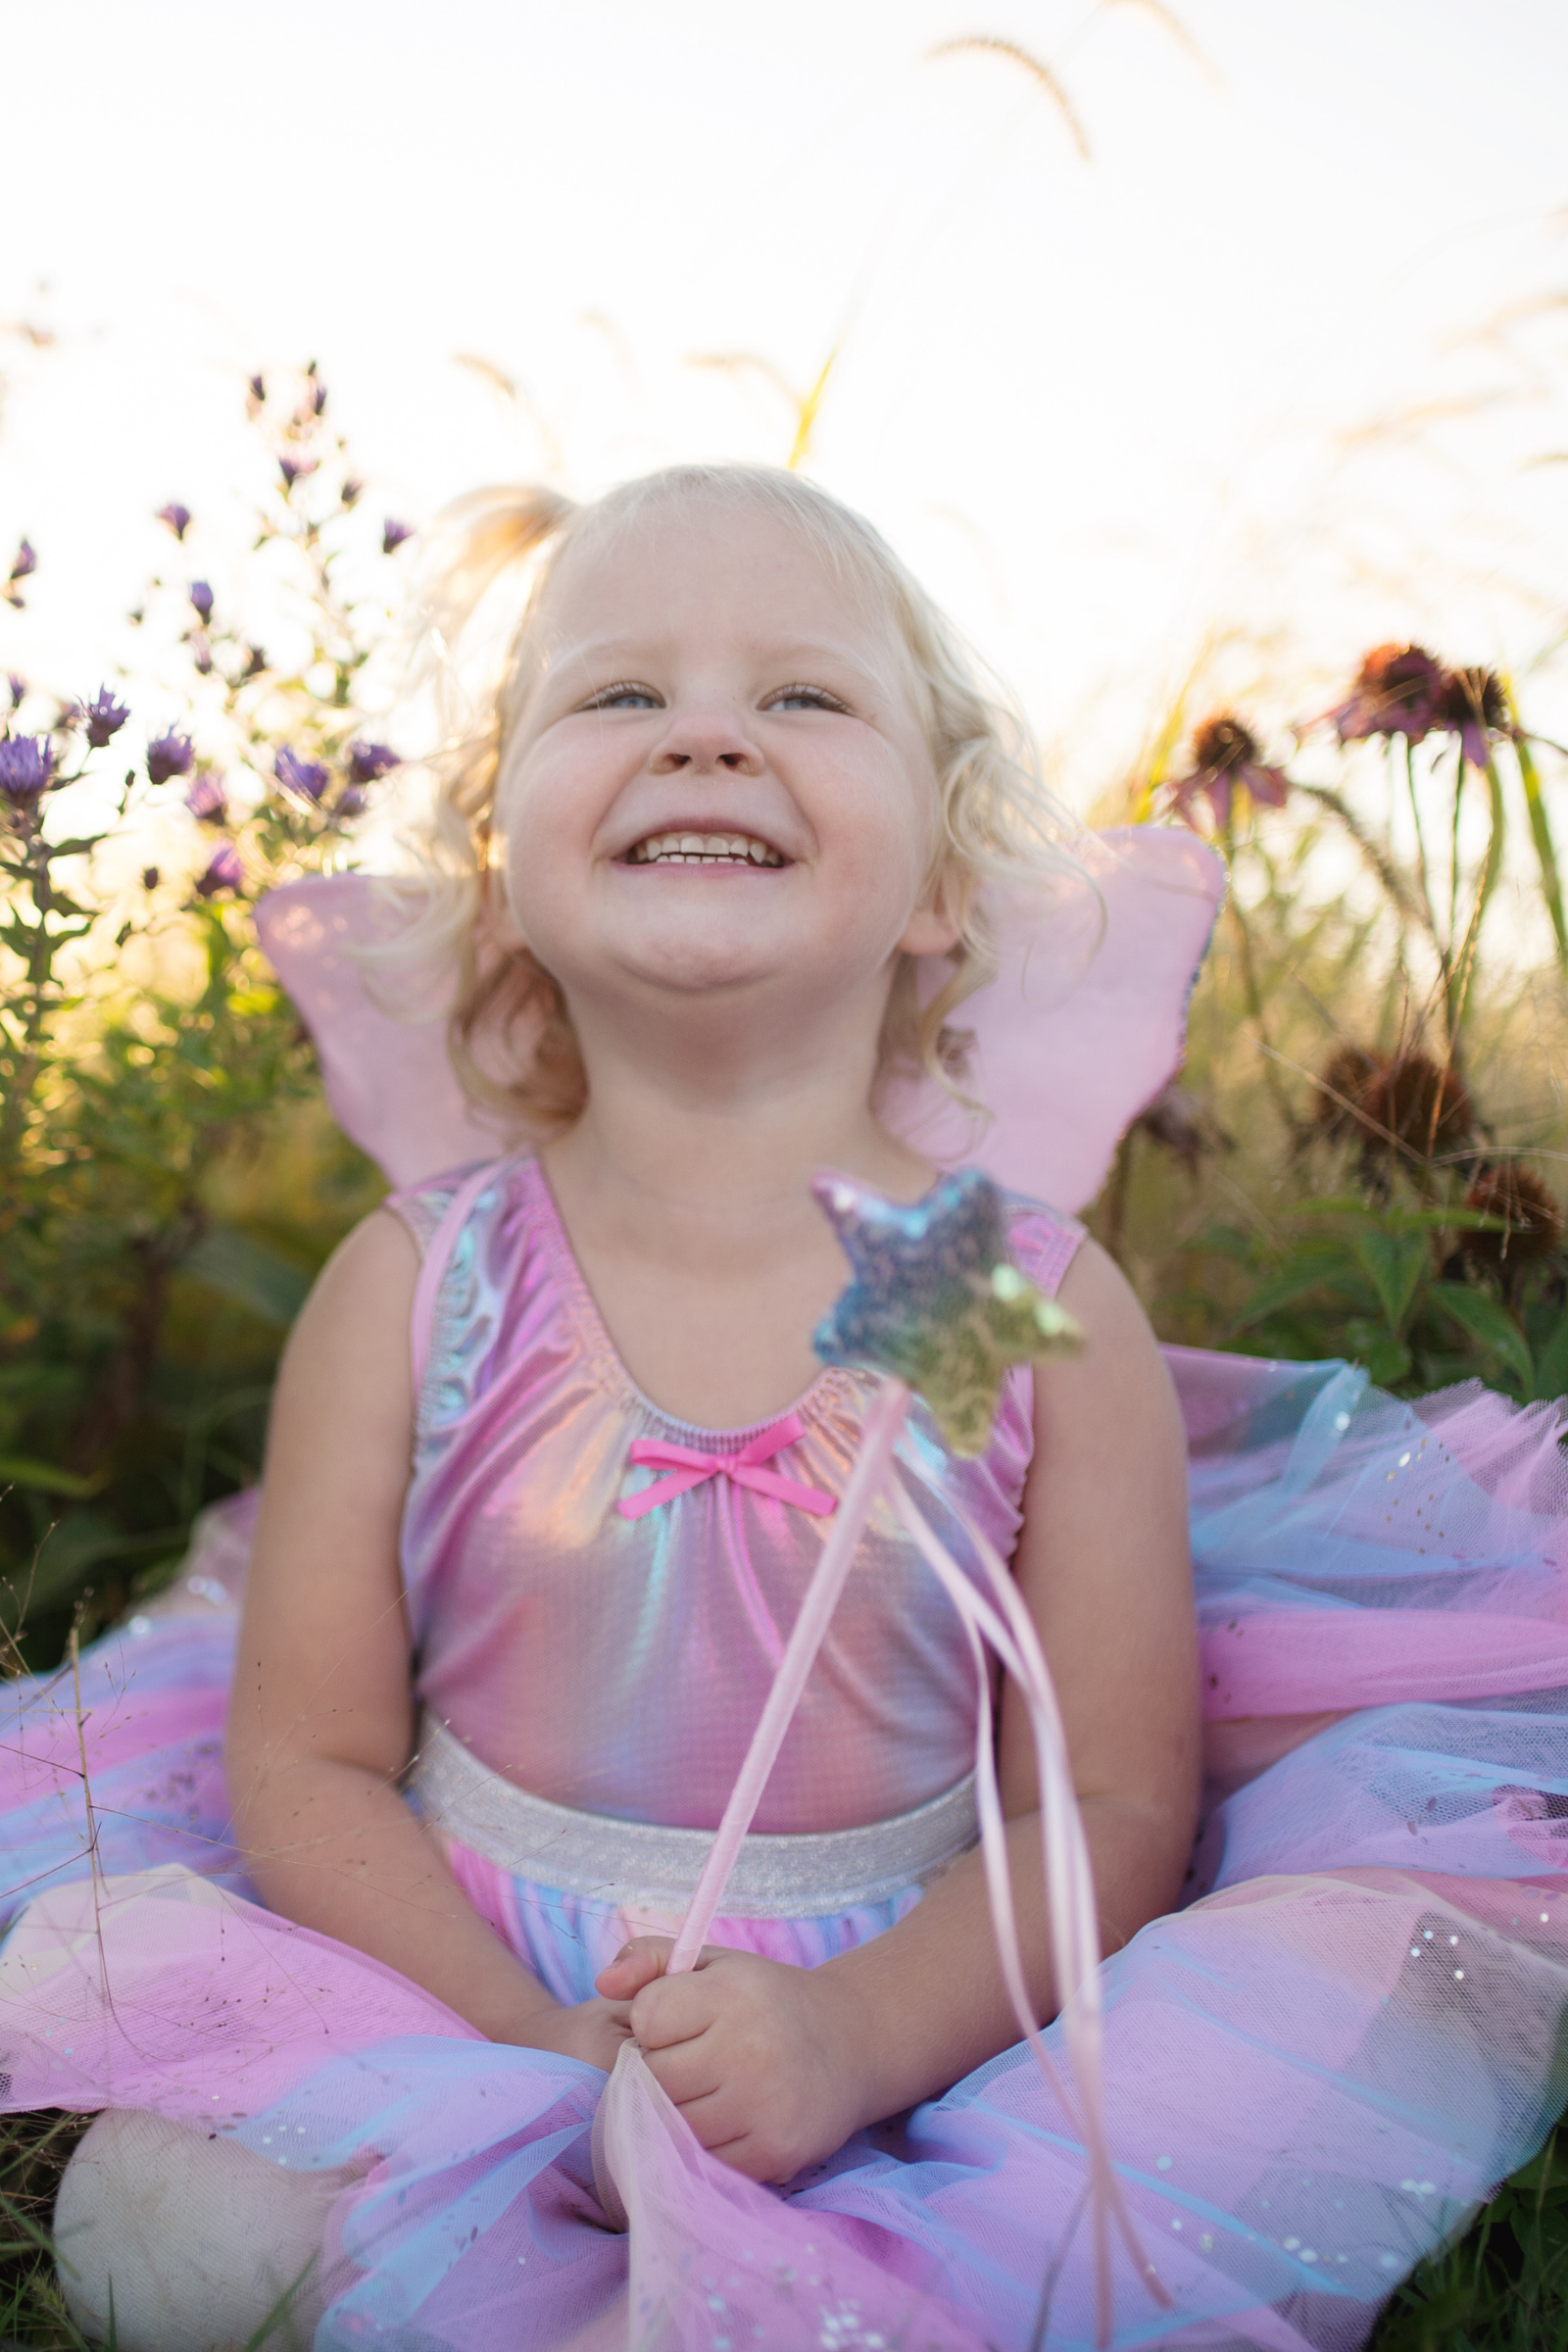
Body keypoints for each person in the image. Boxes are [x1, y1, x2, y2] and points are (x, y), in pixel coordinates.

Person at [5, 466, 1568, 2352]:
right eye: (620, 696)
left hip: (912, 2012)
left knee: (1060, 2254)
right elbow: (314, 1764)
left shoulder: (1000, 1302)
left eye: (805, 699)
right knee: (153, 2225)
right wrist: (529, 2045)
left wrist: (845, 2040)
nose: (709, 741)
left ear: (937, 889)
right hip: (460, 1990)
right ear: (505, 857)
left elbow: (1102, 1799)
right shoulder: (424, 1287)